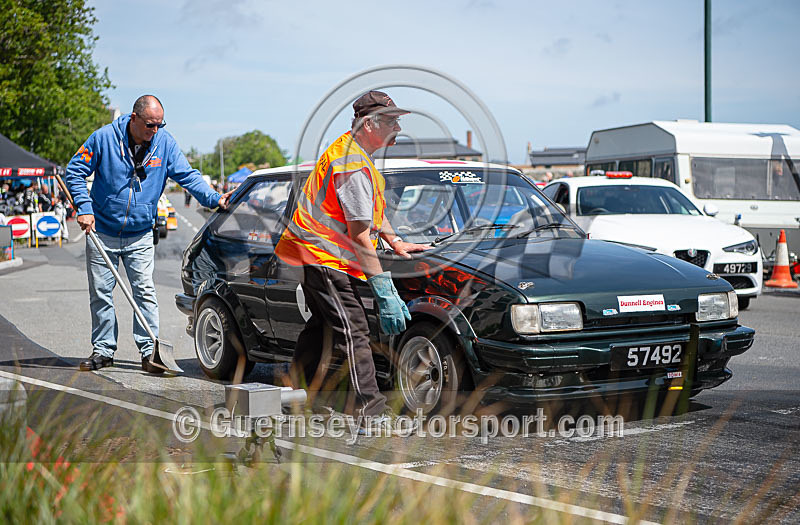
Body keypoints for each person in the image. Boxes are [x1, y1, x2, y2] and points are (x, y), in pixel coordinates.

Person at [275, 91, 430, 427]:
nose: (398, 127)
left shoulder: (355, 154)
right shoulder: (352, 163)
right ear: (369, 123)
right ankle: (370, 411)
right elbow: (360, 235)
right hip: (323, 255)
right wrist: (383, 290)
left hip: (317, 252)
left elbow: (370, 213)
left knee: (322, 327)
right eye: (391, 121)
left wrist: (394, 240)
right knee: (354, 329)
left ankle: (296, 395)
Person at [65, 94, 233, 373]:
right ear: (134, 118)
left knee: (144, 291)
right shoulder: (104, 138)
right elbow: (74, 171)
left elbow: (188, 176)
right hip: (102, 230)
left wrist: (214, 198)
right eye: (150, 125)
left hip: (141, 233)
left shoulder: (164, 143)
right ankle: (104, 350)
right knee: (101, 293)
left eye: (159, 125)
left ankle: (149, 351)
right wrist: (84, 208)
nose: (155, 131)